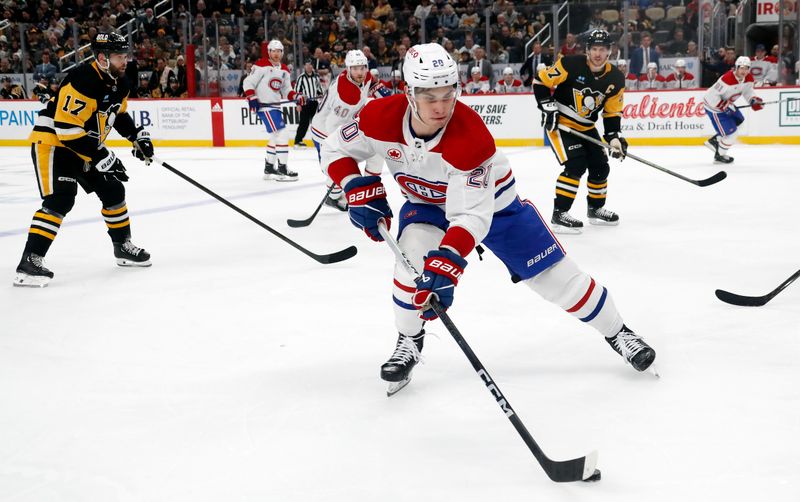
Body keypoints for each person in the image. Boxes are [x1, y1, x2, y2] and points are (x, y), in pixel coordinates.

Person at [320, 43, 656, 393]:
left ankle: (618, 332)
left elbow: (470, 216)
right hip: (426, 205)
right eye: (428, 96)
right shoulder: (379, 117)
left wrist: (448, 261)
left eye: (448, 94)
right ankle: (409, 339)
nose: (440, 107)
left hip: (495, 207)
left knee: (559, 281)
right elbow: (334, 148)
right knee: (409, 267)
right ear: (408, 93)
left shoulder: (471, 135)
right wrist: (353, 184)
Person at [14, 33, 154, 288]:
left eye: (126, 55)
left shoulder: (120, 81)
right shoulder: (83, 80)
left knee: (113, 189)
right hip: (55, 143)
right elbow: (67, 130)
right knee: (60, 199)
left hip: (82, 144)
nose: (125, 61)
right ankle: (29, 261)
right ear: (102, 58)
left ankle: (122, 247)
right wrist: (102, 155)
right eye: (119, 57)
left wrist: (137, 137)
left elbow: (118, 114)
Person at [533, 29, 627, 234]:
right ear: (587, 50)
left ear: (610, 51)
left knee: (601, 166)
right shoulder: (570, 64)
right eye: (594, 48)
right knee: (576, 164)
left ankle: (595, 209)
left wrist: (614, 137)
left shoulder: (616, 78)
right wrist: (547, 106)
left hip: (586, 127)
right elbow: (540, 81)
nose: (598, 54)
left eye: (602, 49)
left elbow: (612, 113)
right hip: (561, 125)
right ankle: (559, 213)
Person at [311, 49, 389, 211]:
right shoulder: (347, 95)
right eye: (355, 68)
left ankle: (370, 190)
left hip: (341, 125)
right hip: (324, 132)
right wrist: (340, 153)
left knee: (375, 152)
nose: (360, 72)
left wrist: (385, 96)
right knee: (339, 167)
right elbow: (332, 127)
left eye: (362, 67)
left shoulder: (365, 76)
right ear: (348, 69)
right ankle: (333, 197)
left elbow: (372, 83)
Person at [243, 39, 306, 181]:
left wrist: (296, 96)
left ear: (282, 53)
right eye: (273, 51)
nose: (276, 54)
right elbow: (248, 82)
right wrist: (251, 97)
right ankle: (283, 168)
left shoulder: (284, 69)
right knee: (282, 134)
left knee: (275, 136)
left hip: (275, 106)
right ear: (269, 52)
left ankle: (269, 167)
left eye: (279, 51)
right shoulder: (261, 64)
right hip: (264, 106)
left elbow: (287, 90)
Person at [703, 56, 763, 164]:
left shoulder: (749, 78)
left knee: (739, 123)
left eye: (746, 68)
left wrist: (753, 100)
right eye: (741, 68)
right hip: (714, 107)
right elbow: (712, 96)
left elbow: (748, 91)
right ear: (736, 68)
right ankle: (719, 156)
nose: (744, 71)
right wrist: (723, 106)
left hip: (726, 104)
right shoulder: (726, 79)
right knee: (732, 134)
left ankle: (714, 141)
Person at [293, 61, 324, 148]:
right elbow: (296, 91)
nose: (308, 67)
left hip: (314, 103)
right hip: (305, 103)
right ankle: (298, 141)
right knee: (304, 123)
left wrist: (321, 95)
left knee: (317, 122)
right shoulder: (301, 78)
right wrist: (298, 104)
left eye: (310, 65)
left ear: (312, 66)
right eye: (307, 65)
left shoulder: (316, 77)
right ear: (304, 67)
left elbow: (319, 88)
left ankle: (318, 140)